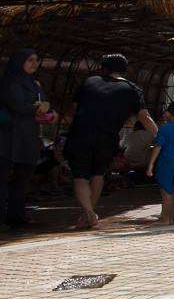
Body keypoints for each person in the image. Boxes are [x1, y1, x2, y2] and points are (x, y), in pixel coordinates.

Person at [64, 54, 156, 229]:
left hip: (80, 134)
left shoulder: (89, 82)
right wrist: (160, 136)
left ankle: (89, 213)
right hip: (107, 137)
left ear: (104, 68)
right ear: (124, 70)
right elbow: (145, 117)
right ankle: (89, 213)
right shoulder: (132, 89)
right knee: (98, 174)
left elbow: (74, 109)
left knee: (80, 176)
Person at [1, 48, 52, 229]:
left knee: (22, 179)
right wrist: (38, 107)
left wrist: (44, 109)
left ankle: (16, 217)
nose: (34, 64)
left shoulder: (34, 83)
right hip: (7, 137)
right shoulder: (10, 81)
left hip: (28, 136)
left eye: (36, 60)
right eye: (30, 60)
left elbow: (45, 105)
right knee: (3, 178)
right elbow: (18, 105)